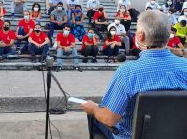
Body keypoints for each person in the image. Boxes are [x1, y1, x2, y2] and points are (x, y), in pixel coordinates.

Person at [80, 11, 187, 139]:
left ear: (140, 36)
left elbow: (109, 119)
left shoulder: (127, 72)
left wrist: (93, 109)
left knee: (95, 113)